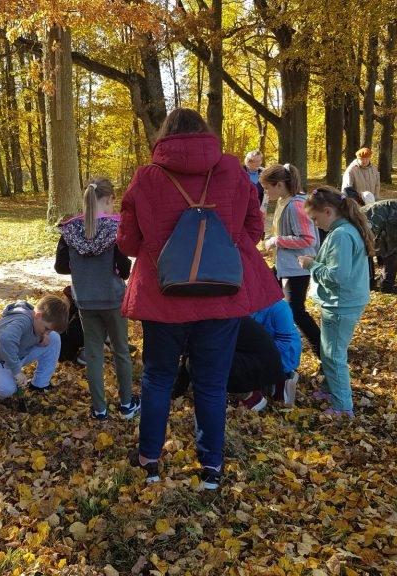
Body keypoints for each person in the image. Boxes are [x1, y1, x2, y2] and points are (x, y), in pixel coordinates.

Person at [117, 108, 283, 489]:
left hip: (163, 294)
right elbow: (254, 228)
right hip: (220, 294)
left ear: (165, 137)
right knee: (211, 381)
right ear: (205, 134)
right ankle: (211, 468)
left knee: (158, 378)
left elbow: (126, 242)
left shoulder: (147, 177)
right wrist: (221, 247)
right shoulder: (231, 171)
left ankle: (149, 460)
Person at [55, 177, 140, 421]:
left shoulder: (70, 230)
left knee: (93, 352)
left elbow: (61, 266)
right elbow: (124, 269)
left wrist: (82, 267)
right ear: (109, 199)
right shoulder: (115, 229)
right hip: (112, 299)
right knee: (121, 350)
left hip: (84, 300)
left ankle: (100, 408)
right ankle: (126, 405)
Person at [298, 186, 374, 418]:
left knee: (333, 354)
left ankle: (342, 405)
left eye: (315, 218)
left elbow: (338, 276)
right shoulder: (346, 230)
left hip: (341, 303)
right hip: (342, 301)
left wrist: (311, 265)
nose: (315, 224)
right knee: (328, 349)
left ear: (328, 211)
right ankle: (330, 389)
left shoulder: (341, 235)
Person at [173, 299, 302, 411]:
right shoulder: (233, 310)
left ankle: (252, 397)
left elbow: (284, 342)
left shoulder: (280, 308)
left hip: (280, 357)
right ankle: (277, 386)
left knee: (201, 363)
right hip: (259, 355)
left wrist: (174, 392)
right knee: (207, 360)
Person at [260, 163, 322, 359]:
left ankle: (322, 352)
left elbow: (308, 239)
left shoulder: (296, 205)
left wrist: (276, 241)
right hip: (285, 266)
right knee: (269, 300)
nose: (265, 192)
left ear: (280, 185)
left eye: (267, 188)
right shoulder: (283, 202)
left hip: (298, 267)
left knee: (296, 311)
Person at [0, 295, 69, 405]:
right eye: (46, 329)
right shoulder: (22, 321)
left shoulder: (38, 322)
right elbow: (6, 339)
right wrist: (16, 371)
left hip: (15, 356)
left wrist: (41, 337)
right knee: (7, 389)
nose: (46, 333)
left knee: (54, 338)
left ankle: (40, 384)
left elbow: (29, 336)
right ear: (37, 315)